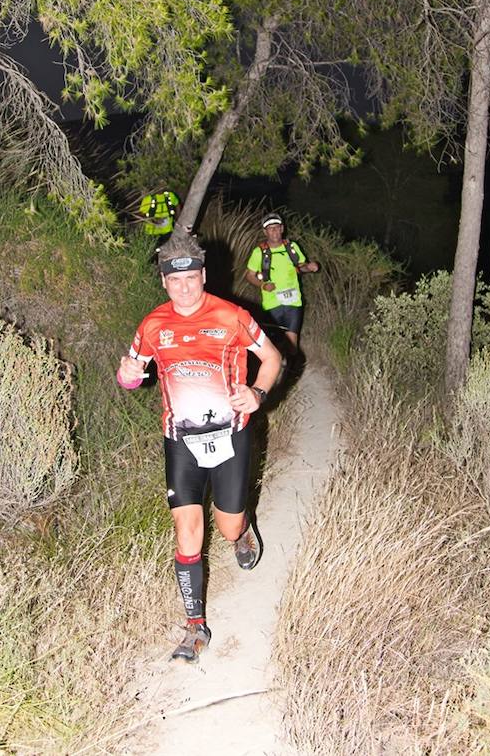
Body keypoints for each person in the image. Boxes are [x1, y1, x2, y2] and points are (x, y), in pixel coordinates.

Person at [117, 233, 281, 663]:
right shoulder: (153, 325)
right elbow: (130, 378)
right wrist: (129, 373)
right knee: (187, 528)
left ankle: (242, 531)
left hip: (229, 435)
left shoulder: (231, 316)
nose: (185, 287)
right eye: (176, 281)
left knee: (226, 527)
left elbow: (273, 359)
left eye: (192, 278)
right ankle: (194, 626)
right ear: (164, 283)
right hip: (180, 442)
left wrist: (258, 394)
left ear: (204, 275)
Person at [245, 212, 319, 359]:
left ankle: (289, 375)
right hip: (272, 304)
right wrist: (263, 286)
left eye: (277, 227)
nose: (274, 231)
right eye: (270, 228)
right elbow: (249, 275)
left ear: (282, 228)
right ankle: (275, 371)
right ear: (265, 232)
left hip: (294, 301)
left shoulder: (292, 247)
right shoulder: (259, 252)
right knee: (272, 345)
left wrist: (310, 268)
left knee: (292, 344)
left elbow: (300, 267)